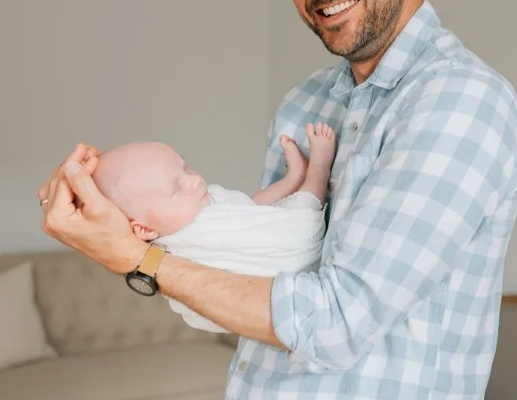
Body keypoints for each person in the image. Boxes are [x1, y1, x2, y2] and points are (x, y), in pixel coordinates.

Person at [38, 0, 517, 400]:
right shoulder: (305, 105)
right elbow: (255, 267)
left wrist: (139, 261)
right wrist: (115, 218)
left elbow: (337, 323)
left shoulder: (460, 101)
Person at [89, 125, 337, 332]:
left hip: (267, 240)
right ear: (145, 230)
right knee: (302, 219)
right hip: (287, 264)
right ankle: (319, 169)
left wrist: (291, 182)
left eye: (184, 168)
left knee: (251, 207)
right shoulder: (183, 245)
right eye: (176, 189)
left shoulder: (194, 209)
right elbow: (291, 233)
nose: (194, 180)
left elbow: (249, 210)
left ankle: (294, 177)